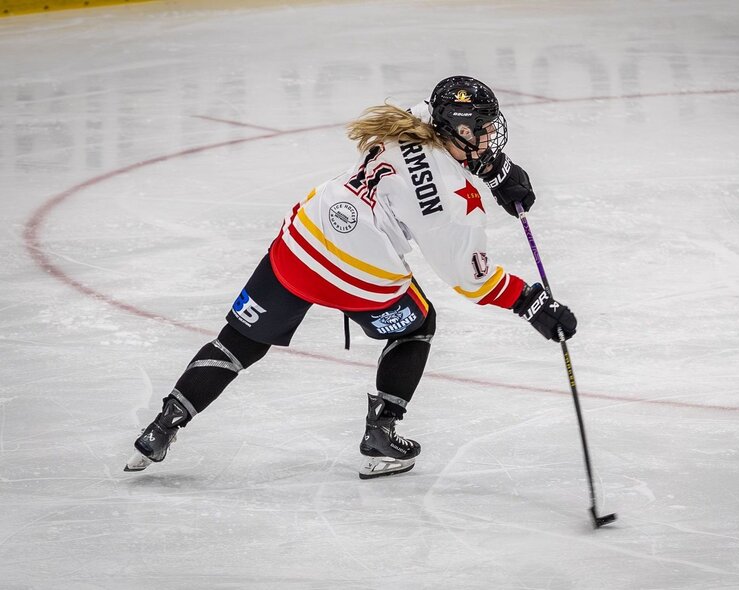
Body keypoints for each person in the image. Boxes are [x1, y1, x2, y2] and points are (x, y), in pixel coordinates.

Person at [125, 76, 578, 479]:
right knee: (418, 325)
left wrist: (492, 169)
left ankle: (162, 425)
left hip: (303, 238)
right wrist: (532, 303)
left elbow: (434, 126)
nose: (485, 136)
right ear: (453, 130)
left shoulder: (411, 121)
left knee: (240, 341)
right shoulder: (448, 204)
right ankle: (380, 434)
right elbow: (470, 278)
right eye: (476, 129)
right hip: (359, 272)